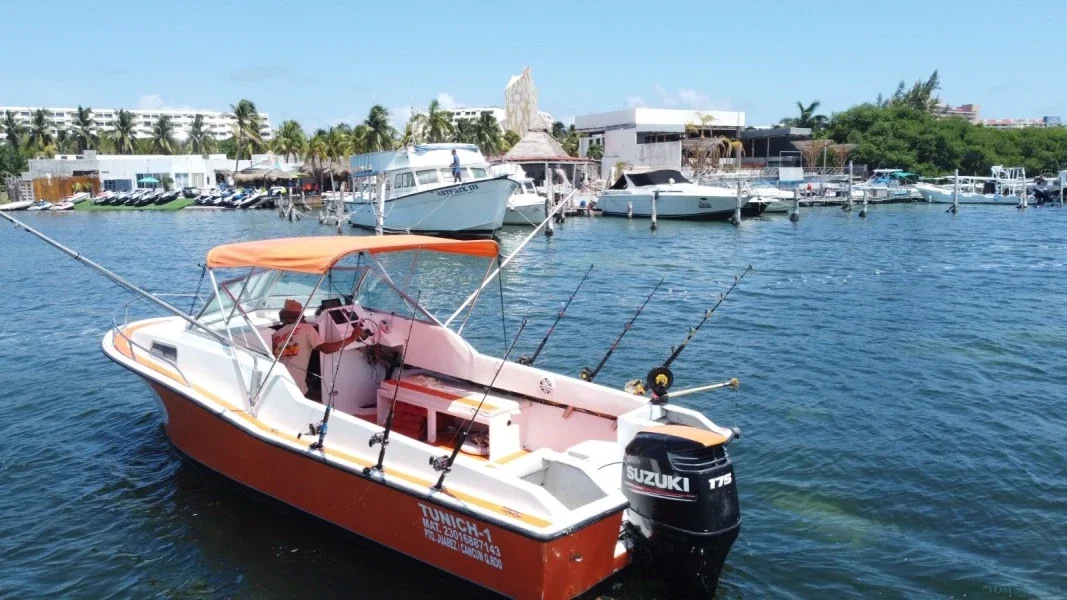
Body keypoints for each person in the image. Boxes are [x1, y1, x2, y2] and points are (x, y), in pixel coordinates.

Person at [271, 299, 361, 397]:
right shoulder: (306, 328)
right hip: (296, 388)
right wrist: (352, 338)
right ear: (301, 316)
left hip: (278, 384)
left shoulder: (276, 335)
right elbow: (327, 349)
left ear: (283, 316)